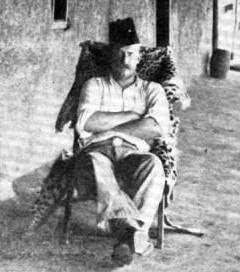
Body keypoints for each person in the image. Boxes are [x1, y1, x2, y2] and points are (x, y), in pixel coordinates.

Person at [74, 17, 171, 266]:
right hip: (97, 150)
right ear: (109, 55)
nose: (124, 60)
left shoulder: (152, 90)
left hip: (133, 153)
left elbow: (157, 126)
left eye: (130, 54)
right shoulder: (93, 85)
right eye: (119, 53)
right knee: (97, 164)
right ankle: (131, 236)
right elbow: (86, 122)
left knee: (154, 166)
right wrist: (131, 116)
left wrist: (108, 122)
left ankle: (128, 234)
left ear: (139, 58)